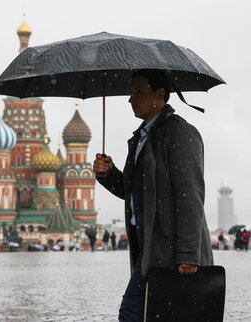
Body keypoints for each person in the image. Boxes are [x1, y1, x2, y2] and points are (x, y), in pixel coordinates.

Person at [93, 70, 213, 321]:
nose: (131, 99)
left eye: (139, 92)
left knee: (133, 313)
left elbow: (189, 196)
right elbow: (134, 192)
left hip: (168, 248)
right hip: (148, 246)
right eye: (130, 92)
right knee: (155, 314)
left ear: (160, 95)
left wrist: (188, 254)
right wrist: (109, 174)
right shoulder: (141, 139)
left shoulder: (179, 133)